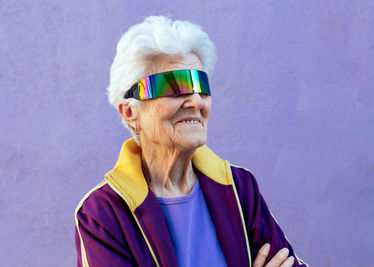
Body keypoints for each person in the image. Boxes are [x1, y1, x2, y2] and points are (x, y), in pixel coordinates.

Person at [74, 16, 308, 267]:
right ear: (130, 112)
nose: (197, 102)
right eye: (175, 86)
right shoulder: (102, 213)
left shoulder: (239, 188)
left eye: (201, 85)